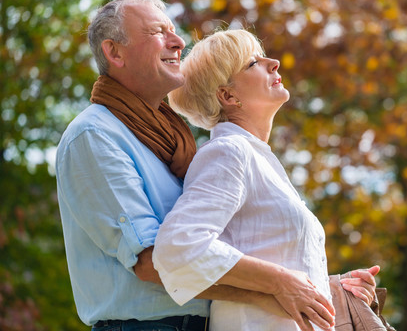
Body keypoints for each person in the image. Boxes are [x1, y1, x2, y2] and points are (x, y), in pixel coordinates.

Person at [56, 0, 377, 331]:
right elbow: (155, 261)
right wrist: (281, 290)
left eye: (173, 31)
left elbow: (226, 252)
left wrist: (320, 289)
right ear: (114, 52)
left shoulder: (175, 143)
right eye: (158, 32)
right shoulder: (95, 135)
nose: (178, 41)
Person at [152, 29, 380, 331]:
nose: (274, 62)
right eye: (253, 63)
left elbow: (265, 260)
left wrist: (331, 287)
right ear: (228, 96)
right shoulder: (228, 152)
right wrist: (281, 280)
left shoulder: (257, 159)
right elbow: (178, 245)